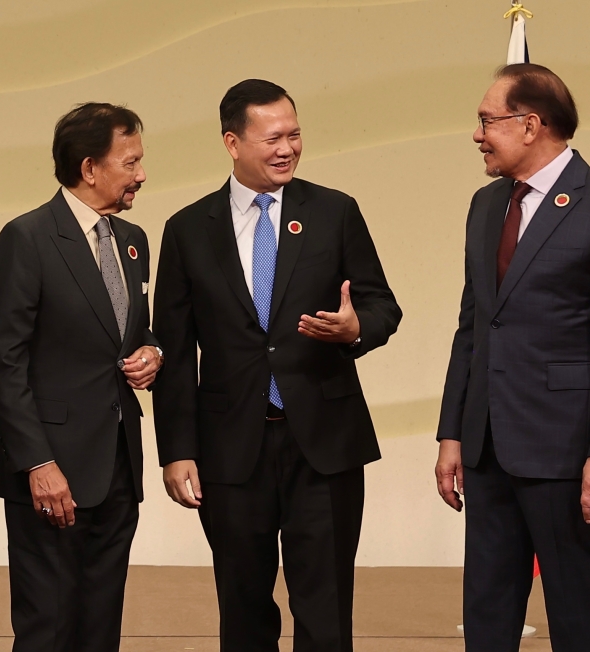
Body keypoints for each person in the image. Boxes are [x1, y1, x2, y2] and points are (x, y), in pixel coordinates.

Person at [152, 78, 401, 652]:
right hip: (230, 448)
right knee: (242, 605)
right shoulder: (188, 230)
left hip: (324, 442)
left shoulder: (335, 211)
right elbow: (174, 346)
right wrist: (178, 449)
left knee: (326, 603)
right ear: (232, 143)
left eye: (294, 134)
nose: (287, 148)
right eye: (271, 138)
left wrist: (354, 328)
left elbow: (381, 305)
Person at [435, 63, 590, 652]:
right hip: (485, 448)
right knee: (486, 608)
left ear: (531, 125)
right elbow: (472, 327)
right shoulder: (485, 207)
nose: (478, 135)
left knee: (576, 612)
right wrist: (452, 434)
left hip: (565, 452)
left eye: (487, 121)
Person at [0, 103, 161, 651]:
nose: (141, 175)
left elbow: (135, 332)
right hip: (50, 470)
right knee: (48, 628)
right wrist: (38, 461)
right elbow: (3, 360)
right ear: (89, 168)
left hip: (117, 467)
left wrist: (153, 353)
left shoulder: (133, 241)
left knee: (100, 626)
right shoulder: (28, 237)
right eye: (130, 162)